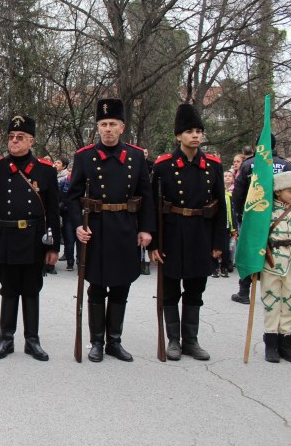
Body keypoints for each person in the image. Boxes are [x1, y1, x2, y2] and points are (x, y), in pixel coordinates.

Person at [67, 98, 155, 363]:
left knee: (121, 287)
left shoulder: (136, 156)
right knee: (96, 287)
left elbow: (146, 195)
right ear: (97, 127)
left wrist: (147, 230)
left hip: (126, 228)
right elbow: (71, 197)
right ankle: (96, 342)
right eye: (103, 124)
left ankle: (114, 341)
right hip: (95, 228)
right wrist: (77, 228)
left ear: (122, 127)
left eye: (112, 124)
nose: (107, 129)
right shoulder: (84, 156)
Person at [0, 115, 60, 361]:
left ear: (31, 140)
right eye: (11, 136)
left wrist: (54, 245)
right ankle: (6, 340)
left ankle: (32, 341)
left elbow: (53, 211)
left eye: (20, 137)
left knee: (32, 290)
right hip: (5, 237)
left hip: (33, 238)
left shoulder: (44, 170)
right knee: (9, 289)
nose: (14, 141)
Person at [149, 104, 225, 361]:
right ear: (178, 136)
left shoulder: (212, 165)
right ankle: (173, 340)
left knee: (195, 290)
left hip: (200, 234)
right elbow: (153, 207)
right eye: (189, 131)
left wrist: (218, 242)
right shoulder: (163, 165)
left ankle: (191, 340)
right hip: (172, 233)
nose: (195, 135)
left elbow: (220, 207)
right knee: (170, 290)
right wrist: (154, 244)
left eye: (198, 131)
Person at [231, 135, 291, 304]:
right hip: (281, 216)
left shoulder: (248, 164)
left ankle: (244, 292)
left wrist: (242, 215)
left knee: (251, 251)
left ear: (257, 145)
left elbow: (238, 193)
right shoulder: (285, 165)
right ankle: (279, 289)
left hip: (255, 216)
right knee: (278, 251)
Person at [261, 170, 291, 363]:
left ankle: (285, 342)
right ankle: (270, 342)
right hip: (271, 263)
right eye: (289, 191)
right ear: (278, 192)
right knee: (271, 301)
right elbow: (256, 237)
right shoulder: (266, 212)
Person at [55, 157, 76, 271]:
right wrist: (62, 205)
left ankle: (79, 259)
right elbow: (59, 197)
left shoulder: (84, 181)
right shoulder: (63, 181)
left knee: (81, 241)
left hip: (80, 214)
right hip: (67, 213)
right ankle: (70, 262)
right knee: (69, 239)